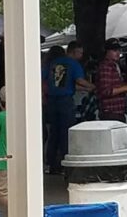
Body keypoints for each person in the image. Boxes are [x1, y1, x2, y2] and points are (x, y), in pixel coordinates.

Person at [43, 43, 95, 174]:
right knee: (66, 133)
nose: (81, 56)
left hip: (51, 101)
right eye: (80, 52)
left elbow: (56, 82)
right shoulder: (73, 64)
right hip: (65, 101)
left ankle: (51, 163)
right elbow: (79, 80)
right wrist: (92, 86)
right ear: (73, 52)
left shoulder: (52, 63)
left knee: (53, 133)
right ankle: (66, 163)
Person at [97, 39, 127, 122]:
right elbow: (106, 91)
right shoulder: (106, 67)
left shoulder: (114, 65)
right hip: (110, 111)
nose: (118, 53)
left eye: (119, 50)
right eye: (114, 50)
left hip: (117, 110)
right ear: (107, 51)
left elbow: (116, 86)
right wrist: (126, 88)